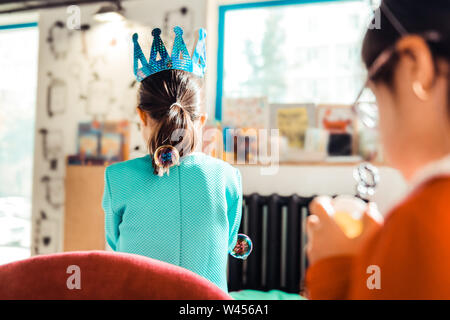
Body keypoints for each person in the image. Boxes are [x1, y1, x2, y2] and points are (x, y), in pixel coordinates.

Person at [306, 0, 450, 299]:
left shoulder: (418, 224)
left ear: (415, 65)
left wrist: (336, 269)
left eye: (374, 95)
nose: (378, 125)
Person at [102, 27, 242, 292]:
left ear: (142, 117)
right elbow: (228, 242)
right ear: (200, 121)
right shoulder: (227, 176)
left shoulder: (117, 177)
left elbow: (115, 244)